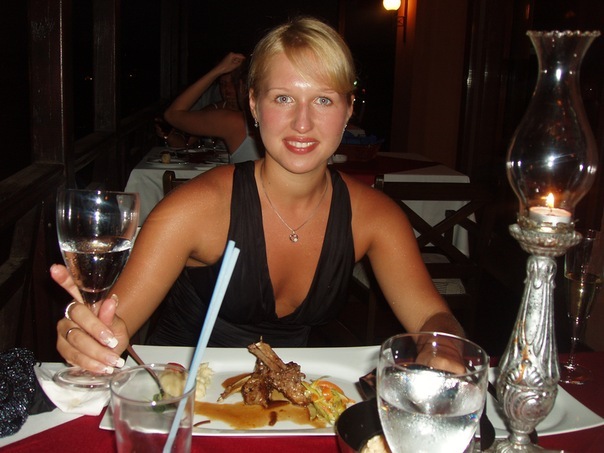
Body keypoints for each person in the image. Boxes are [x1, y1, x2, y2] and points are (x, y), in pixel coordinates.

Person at [52, 16, 464, 375]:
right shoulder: (194, 209)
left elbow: (433, 316)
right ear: (253, 104)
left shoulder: (375, 216)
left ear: (348, 109)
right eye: (283, 98)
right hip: (179, 401)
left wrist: (443, 347)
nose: (302, 123)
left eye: (323, 99)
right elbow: (115, 320)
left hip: (285, 408)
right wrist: (91, 336)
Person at [162, 52, 262, 163]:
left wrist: (217, 70)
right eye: (222, 84)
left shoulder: (234, 122)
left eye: (233, 83)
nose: (228, 89)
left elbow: (172, 114)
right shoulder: (274, 120)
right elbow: (184, 142)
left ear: (243, 87)